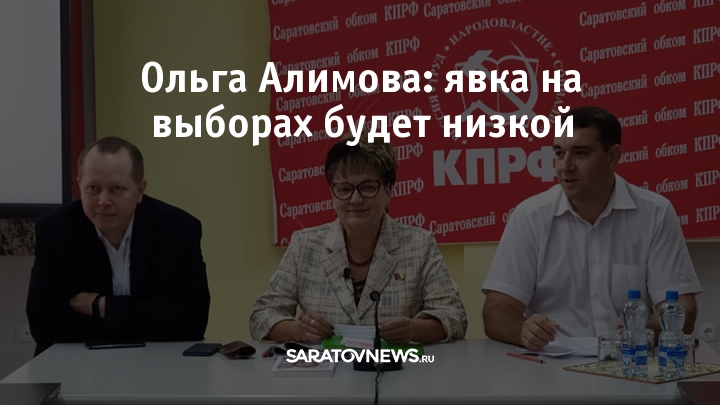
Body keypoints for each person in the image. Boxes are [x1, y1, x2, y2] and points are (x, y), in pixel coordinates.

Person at [482, 106, 701, 351]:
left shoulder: (655, 213)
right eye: (559, 153)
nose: (566, 166)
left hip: (628, 360)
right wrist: (522, 330)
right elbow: (496, 310)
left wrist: (649, 328)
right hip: (550, 361)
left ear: (612, 157)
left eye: (580, 153)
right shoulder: (530, 217)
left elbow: (684, 308)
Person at [250, 135, 467, 344]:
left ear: (388, 191)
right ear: (332, 195)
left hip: (396, 367)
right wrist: (298, 330)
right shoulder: (305, 245)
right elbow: (261, 316)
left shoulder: (419, 245)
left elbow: (455, 317)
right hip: (323, 368)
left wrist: (414, 329)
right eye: (344, 189)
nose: (355, 199)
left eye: (368, 187)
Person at [26, 137, 210, 355]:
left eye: (117, 189)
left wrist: (100, 306)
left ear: (140, 190)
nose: (103, 201)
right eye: (93, 188)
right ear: (79, 186)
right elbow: (44, 324)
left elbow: (192, 320)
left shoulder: (178, 230)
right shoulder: (55, 230)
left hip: (158, 362)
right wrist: (142, 320)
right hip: (77, 363)